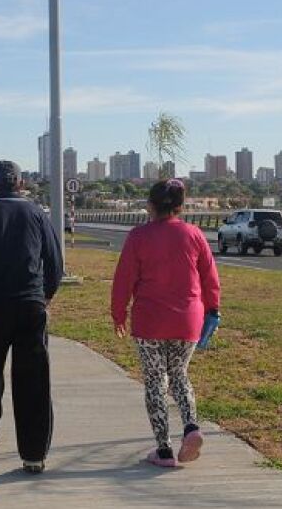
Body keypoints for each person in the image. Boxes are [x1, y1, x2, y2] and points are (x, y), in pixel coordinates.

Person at [110, 179, 221, 468]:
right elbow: (210, 277)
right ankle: (191, 427)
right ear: (181, 207)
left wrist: (118, 312)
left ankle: (163, 450)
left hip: (150, 323)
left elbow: (124, 279)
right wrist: (213, 310)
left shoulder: (138, 236)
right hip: (188, 320)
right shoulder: (194, 235)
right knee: (180, 375)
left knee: (156, 382)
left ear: (150, 206)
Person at [0, 160, 63, 475]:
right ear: (20, 183)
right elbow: (55, 261)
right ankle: (34, 454)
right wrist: (45, 295)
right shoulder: (37, 213)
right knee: (33, 381)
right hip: (31, 307)